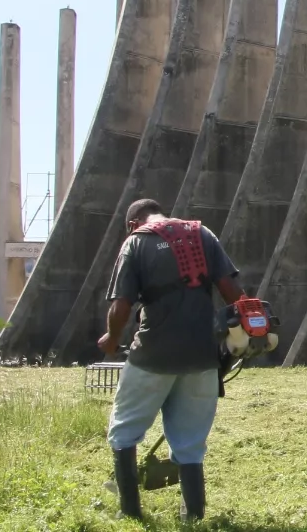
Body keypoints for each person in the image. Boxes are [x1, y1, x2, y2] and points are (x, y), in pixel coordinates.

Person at [99, 198, 245, 521]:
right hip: (202, 355)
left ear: (133, 223)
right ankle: (193, 516)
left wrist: (111, 338)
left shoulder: (135, 242)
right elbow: (231, 290)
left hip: (152, 356)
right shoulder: (202, 233)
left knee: (124, 432)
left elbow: (121, 306)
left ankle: (131, 514)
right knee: (190, 441)